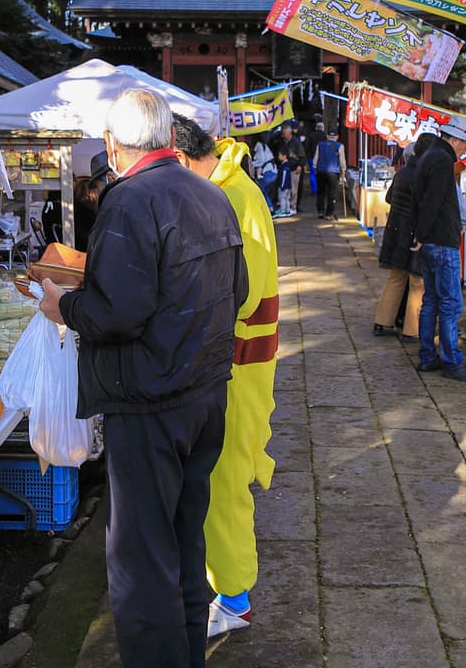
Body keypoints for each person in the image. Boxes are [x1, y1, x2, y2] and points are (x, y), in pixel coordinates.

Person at [38, 90, 246, 668]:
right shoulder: (211, 194)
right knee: (184, 540)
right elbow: (240, 290)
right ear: (167, 138)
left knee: (140, 559)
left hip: (151, 402)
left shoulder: (128, 201)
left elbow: (118, 313)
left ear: (112, 144)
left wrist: (64, 306)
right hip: (205, 395)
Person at [168, 116, 279, 639]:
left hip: (236, 361)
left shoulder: (235, 197)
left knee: (225, 479)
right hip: (231, 358)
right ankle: (224, 585)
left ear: (184, 159)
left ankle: (233, 596)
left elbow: (245, 290)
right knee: (218, 476)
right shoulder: (228, 189)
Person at [403, 120, 466, 383]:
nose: (464, 152)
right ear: (456, 140)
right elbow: (433, 202)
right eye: (465, 146)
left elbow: (419, 201)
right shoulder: (441, 161)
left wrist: (419, 234)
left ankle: (428, 356)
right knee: (450, 303)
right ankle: (452, 362)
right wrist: (423, 234)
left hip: (430, 240)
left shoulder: (427, 157)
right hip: (441, 241)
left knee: (432, 301)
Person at [373, 134, 432, 339]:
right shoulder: (425, 176)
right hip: (414, 233)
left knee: (395, 278)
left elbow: (389, 197)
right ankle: (411, 330)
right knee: (417, 282)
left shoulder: (402, 173)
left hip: (396, 230)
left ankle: (382, 321)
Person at [313, 128, 345, 220]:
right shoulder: (340, 146)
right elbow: (342, 160)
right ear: (337, 137)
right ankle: (329, 213)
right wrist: (343, 170)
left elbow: (316, 157)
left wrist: (315, 167)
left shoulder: (320, 145)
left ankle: (320, 211)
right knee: (332, 194)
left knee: (320, 192)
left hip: (321, 171)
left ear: (327, 136)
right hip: (334, 172)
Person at [278, 122, 308, 213]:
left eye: (284, 134)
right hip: (285, 168)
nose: (283, 136)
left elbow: (302, 155)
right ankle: (286, 207)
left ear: (289, 133)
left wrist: (300, 165)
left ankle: (293, 207)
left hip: (294, 168)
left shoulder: (296, 142)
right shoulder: (283, 142)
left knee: (294, 189)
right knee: (285, 189)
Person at [249, 134, 277, 210]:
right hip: (271, 171)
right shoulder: (263, 145)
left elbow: (261, 161)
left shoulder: (259, 146)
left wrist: (250, 164)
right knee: (263, 191)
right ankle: (269, 207)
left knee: (260, 190)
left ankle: (269, 207)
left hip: (268, 172)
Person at [273, 148, 295, 218]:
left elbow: (284, 176)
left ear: (284, 156)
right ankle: (287, 209)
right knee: (287, 198)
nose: (278, 157)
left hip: (284, 185)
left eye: (279, 155)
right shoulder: (287, 165)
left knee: (282, 198)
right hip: (288, 185)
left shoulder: (284, 166)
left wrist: (282, 185)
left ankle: (283, 210)